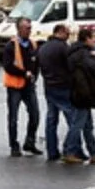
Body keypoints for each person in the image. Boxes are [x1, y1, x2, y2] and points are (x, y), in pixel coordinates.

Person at [66, 28, 95, 165]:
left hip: (80, 91)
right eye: (93, 38)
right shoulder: (83, 53)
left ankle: (94, 153)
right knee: (78, 124)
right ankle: (69, 151)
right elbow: (91, 66)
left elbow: (84, 72)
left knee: (87, 125)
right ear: (87, 39)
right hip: (82, 93)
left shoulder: (75, 51)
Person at [1, 16, 42, 157]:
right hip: (14, 86)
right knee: (13, 117)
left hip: (29, 85)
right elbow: (7, 66)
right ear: (19, 29)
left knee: (35, 114)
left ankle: (30, 142)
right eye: (27, 28)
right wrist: (24, 73)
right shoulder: (11, 46)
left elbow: (36, 62)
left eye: (30, 27)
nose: (29, 30)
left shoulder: (32, 44)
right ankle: (14, 145)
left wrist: (34, 76)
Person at [36, 23, 76, 162]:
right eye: (67, 33)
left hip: (49, 86)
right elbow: (71, 66)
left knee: (51, 120)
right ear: (61, 32)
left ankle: (52, 151)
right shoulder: (64, 47)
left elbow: (39, 66)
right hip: (63, 86)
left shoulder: (43, 48)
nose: (68, 36)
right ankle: (70, 149)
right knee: (73, 119)